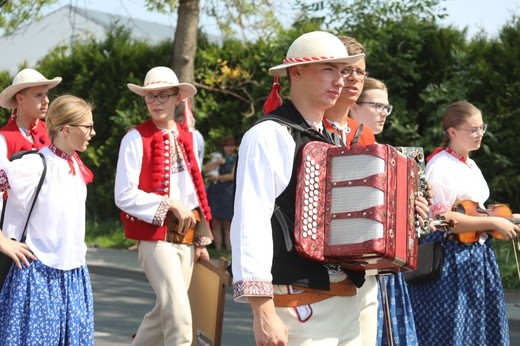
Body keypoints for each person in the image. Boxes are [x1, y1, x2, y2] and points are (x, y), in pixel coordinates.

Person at [231, 30, 367, 345]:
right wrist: (262, 311)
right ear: (296, 72)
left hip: (346, 298)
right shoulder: (269, 134)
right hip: (298, 304)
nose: (340, 80)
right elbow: (250, 222)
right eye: (328, 69)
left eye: (343, 71)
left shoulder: (331, 137)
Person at [114, 66, 212, 346]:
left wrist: (200, 241)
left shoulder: (191, 137)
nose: (156, 103)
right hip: (154, 239)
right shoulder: (134, 138)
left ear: (177, 98)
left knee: (164, 312)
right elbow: (123, 194)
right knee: (179, 318)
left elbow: (194, 191)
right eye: (150, 97)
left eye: (163, 96)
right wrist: (168, 203)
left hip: (187, 237)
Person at [407, 100, 517, 345]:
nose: (480, 134)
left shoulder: (470, 163)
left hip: (477, 256)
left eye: (482, 128)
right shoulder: (441, 165)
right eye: (473, 129)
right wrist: (496, 224)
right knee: (454, 328)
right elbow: (444, 219)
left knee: (478, 328)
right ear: (452, 132)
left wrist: (508, 219)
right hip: (452, 258)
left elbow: (480, 212)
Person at [0, 94, 96, 345]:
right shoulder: (35, 165)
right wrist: (2, 240)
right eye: (88, 127)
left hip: (73, 276)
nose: (93, 133)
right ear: (66, 129)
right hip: (38, 277)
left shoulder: (74, 164)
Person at [352, 77, 418, 345]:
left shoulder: (386, 153)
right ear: (353, 107)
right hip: (358, 265)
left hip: (385, 268)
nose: (384, 113)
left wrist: (414, 206)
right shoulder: (345, 149)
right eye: (377, 105)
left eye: (387, 107)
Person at [0, 68, 61, 157]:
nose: (46, 100)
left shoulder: (53, 132)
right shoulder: (4, 139)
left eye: (46, 94)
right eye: (38, 95)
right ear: (20, 99)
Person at [203, 135, 237, 252]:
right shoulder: (218, 158)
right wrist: (217, 162)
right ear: (223, 147)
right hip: (215, 193)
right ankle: (218, 251)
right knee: (215, 222)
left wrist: (217, 177)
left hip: (228, 192)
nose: (229, 148)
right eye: (226, 145)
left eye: (231, 145)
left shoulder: (236, 159)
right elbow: (205, 169)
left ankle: (229, 251)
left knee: (228, 223)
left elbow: (232, 176)